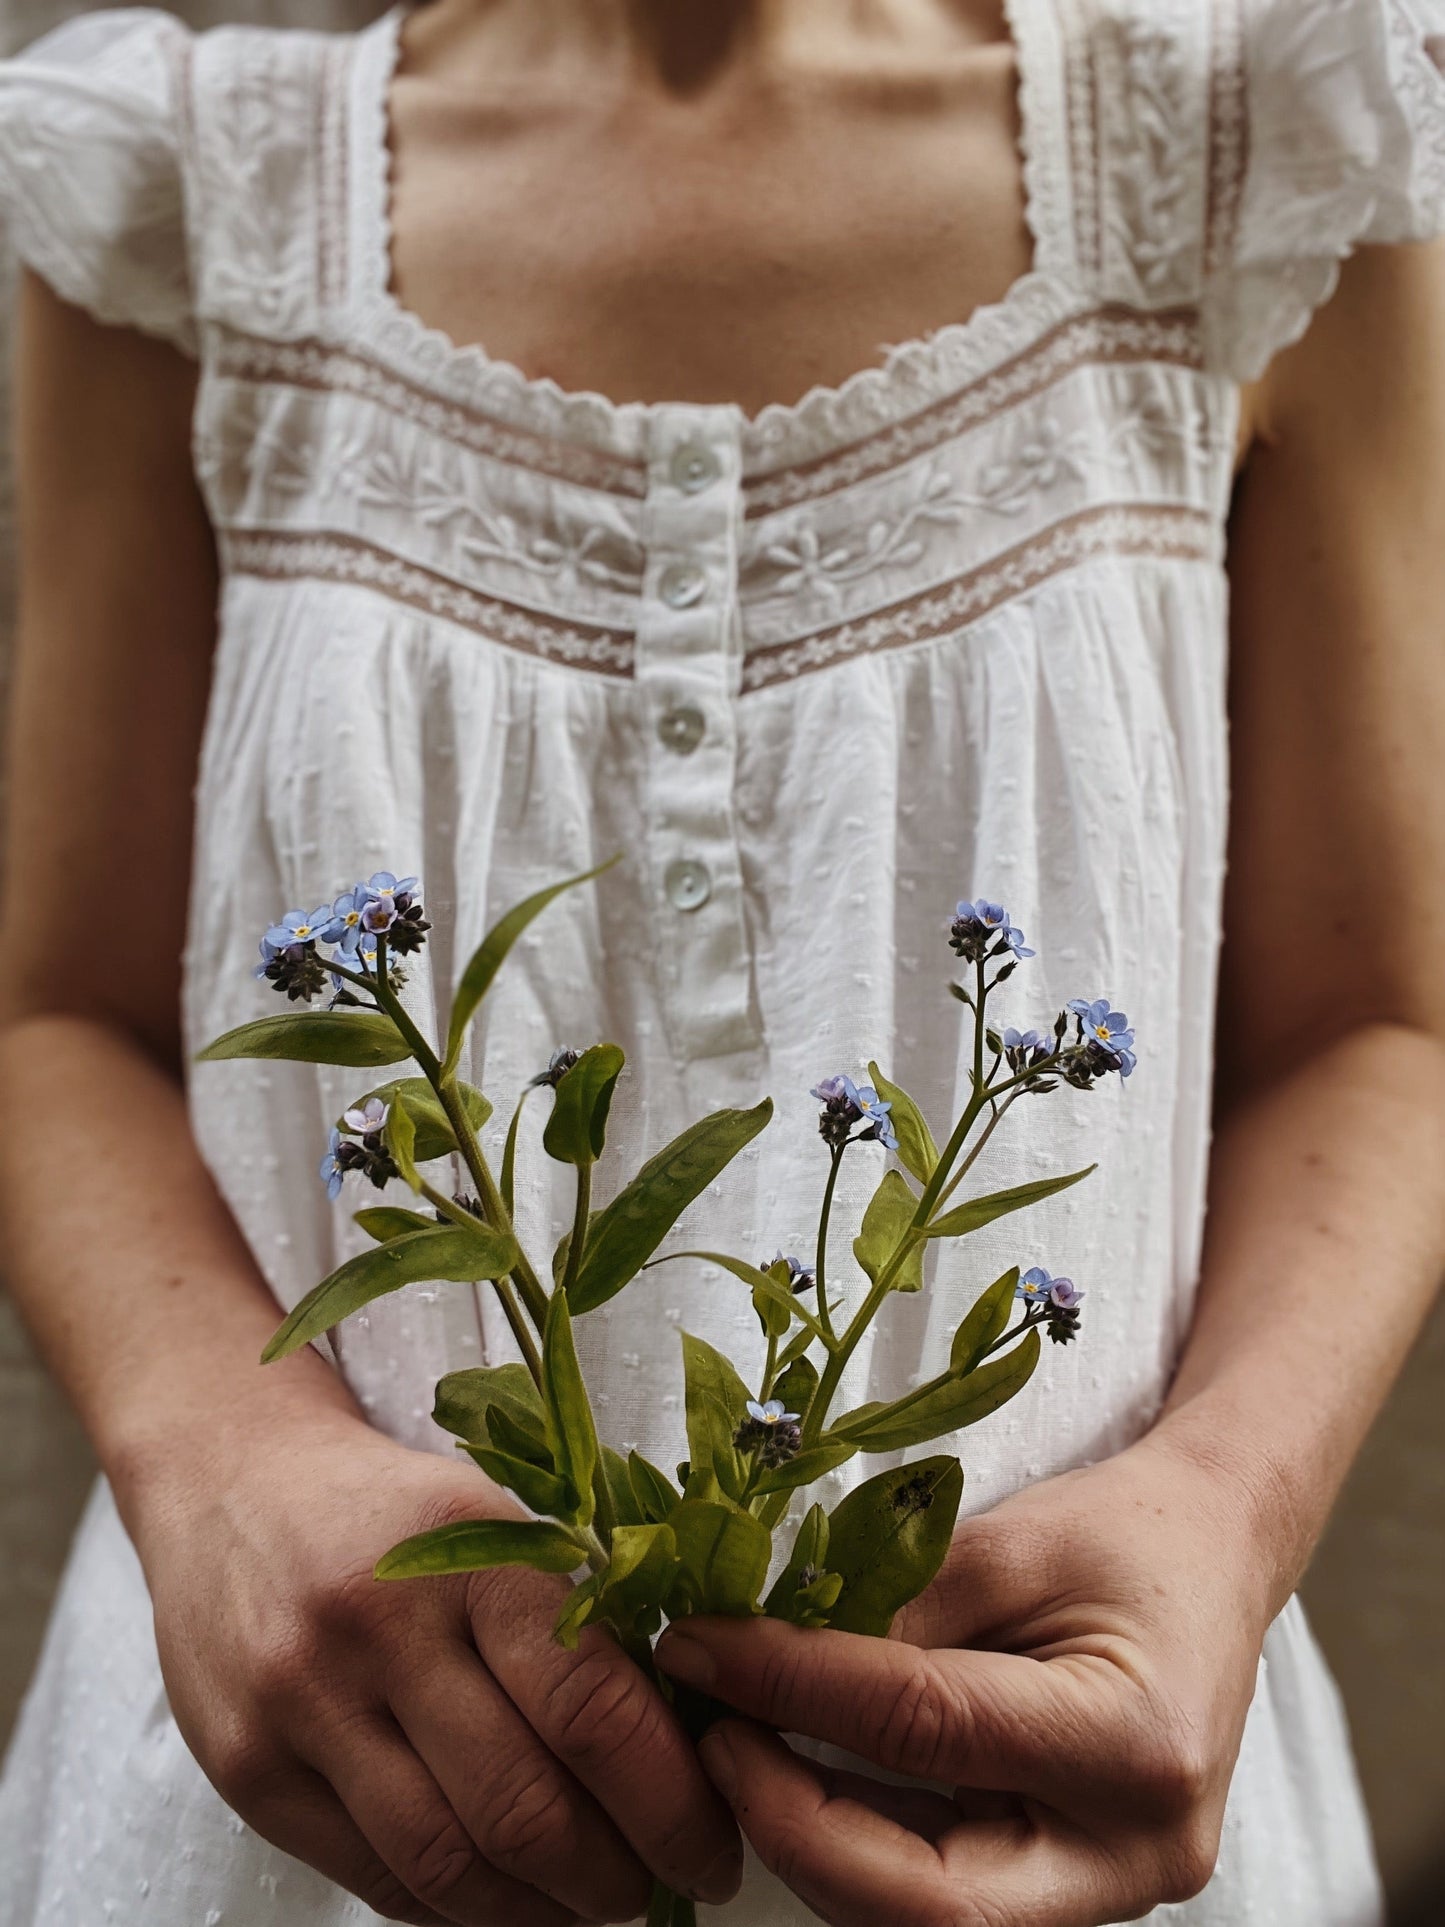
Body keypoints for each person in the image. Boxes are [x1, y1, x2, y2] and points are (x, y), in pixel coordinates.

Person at [0, 0, 1443, 1922]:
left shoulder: (1264, 158)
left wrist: (1223, 1514)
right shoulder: (189, 198)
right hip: (309, 1812)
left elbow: (1373, 1023)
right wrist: (216, 1463)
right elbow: (58, 1017)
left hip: (1061, 1798)